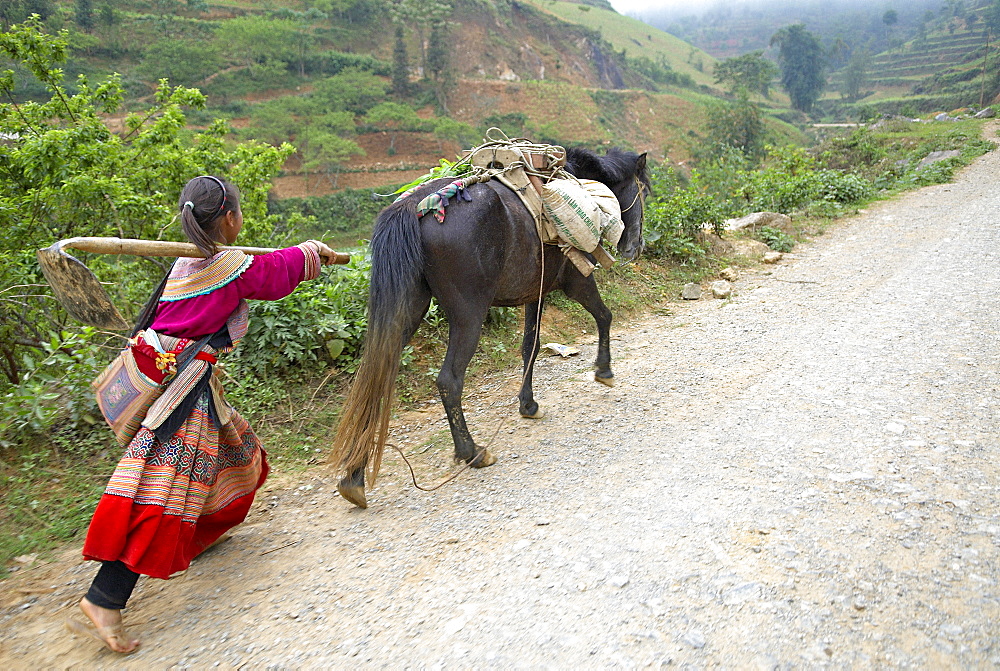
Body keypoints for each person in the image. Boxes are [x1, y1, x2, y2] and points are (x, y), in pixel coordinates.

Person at [66, 175, 341, 654]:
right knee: (160, 489)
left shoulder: (187, 262)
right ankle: (106, 598)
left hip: (178, 376)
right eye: (239, 211)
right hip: (183, 390)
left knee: (239, 454)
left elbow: (266, 267)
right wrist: (312, 251)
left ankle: (201, 533)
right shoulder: (226, 265)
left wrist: (302, 252)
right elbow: (274, 273)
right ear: (230, 217)